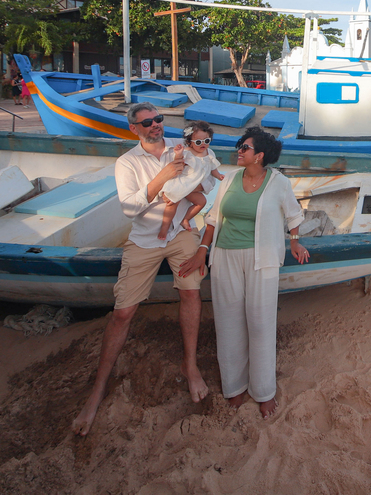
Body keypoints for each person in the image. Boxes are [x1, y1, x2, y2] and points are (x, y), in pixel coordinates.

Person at [71, 103, 211, 437]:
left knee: (192, 293)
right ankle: (98, 389)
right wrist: (163, 178)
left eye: (159, 119)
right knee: (123, 312)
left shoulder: (182, 150)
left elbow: (203, 189)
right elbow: (130, 207)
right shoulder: (127, 162)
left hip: (181, 235)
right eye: (147, 122)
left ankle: (190, 366)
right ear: (134, 128)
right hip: (144, 240)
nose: (155, 126)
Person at [198, 126, 309, 419]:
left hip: (263, 260)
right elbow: (214, 216)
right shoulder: (230, 178)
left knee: (260, 324)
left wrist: (295, 242)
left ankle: (264, 391)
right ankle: (234, 387)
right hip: (225, 257)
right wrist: (203, 249)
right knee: (228, 322)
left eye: (244, 147)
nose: (239, 151)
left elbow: (293, 214)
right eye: (239, 146)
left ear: (259, 156)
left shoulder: (278, 182)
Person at [156, 121, 224, 240]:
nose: (203, 144)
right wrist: (178, 154)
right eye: (198, 142)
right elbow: (178, 164)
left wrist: (219, 176)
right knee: (172, 203)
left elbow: (213, 168)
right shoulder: (187, 152)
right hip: (183, 183)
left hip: (194, 187)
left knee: (201, 202)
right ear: (189, 142)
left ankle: (185, 219)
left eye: (206, 141)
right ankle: (164, 227)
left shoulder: (209, 153)